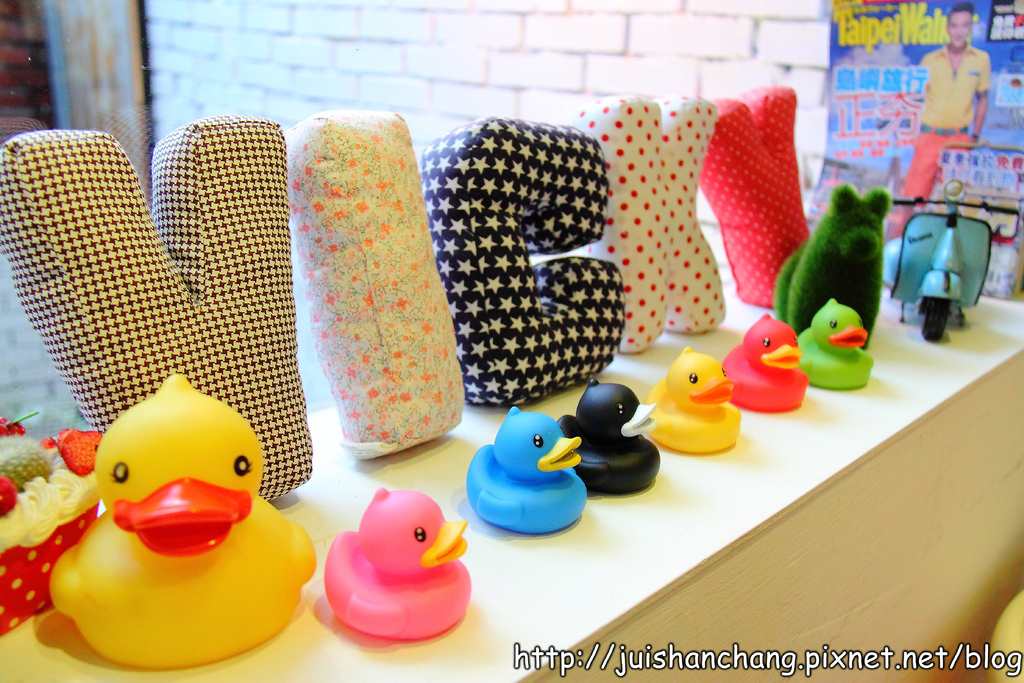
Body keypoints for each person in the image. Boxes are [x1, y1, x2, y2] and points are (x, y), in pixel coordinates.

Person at [894, 2, 990, 235]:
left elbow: (983, 98)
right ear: (947, 28)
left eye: (964, 25)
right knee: (911, 199)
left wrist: (974, 136)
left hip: (960, 140)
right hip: (929, 136)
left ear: (970, 27)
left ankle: (947, 250)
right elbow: (914, 98)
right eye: (954, 25)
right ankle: (897, 247)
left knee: (954, 200)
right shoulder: (930, 59)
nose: (959, 31)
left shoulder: (981, 59)